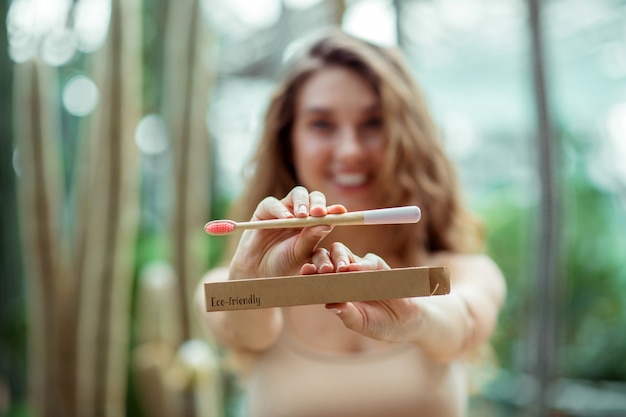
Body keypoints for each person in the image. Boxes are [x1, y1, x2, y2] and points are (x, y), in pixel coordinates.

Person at [196, 29, 506, 417]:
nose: (350, 150)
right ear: (287, 141)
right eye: (322, 124)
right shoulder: (222, 283)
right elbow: (240, 324)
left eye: (373, 123)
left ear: (406, 137)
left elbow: (459, 326)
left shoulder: (468, 272)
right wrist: (252, 280)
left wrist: (412, 318)